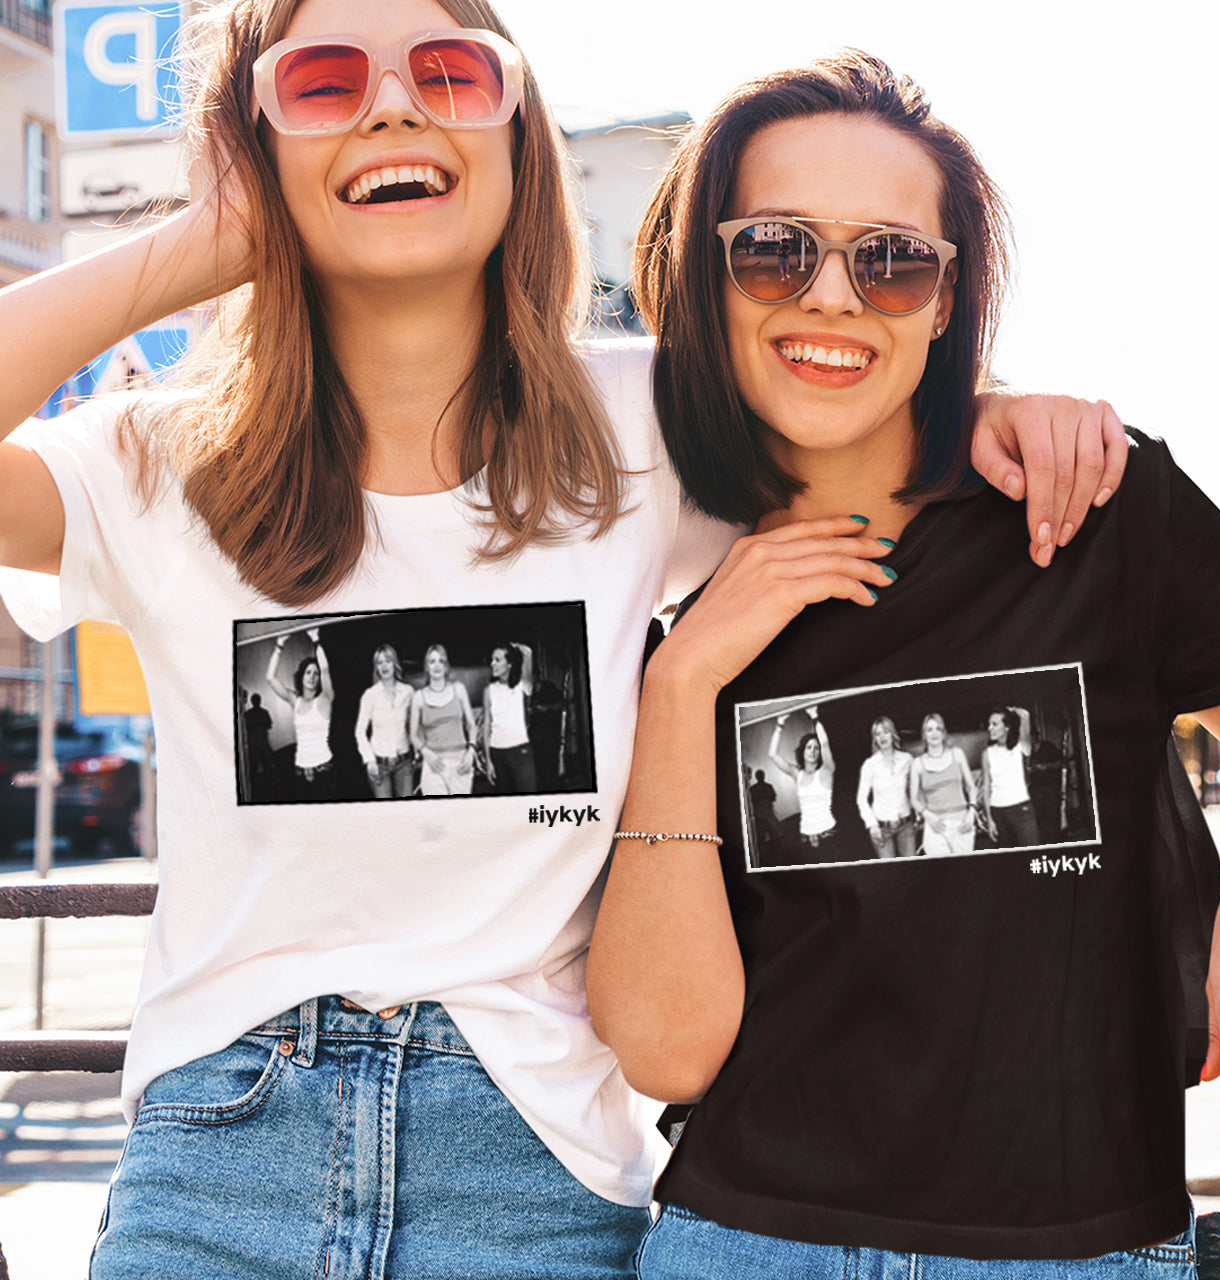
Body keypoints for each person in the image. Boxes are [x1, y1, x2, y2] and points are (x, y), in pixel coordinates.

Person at [0, 0, 1132, 1269]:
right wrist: (209, 241)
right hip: (220, 1156)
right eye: (320, 82)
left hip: (533, 1163)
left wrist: (993, 408)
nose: (391, 104)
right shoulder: (157, 460)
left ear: (521, 135)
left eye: (449, 70)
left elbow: (868, 425)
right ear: (251, 145)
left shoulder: (642, 422)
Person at [588, 49, 1220, 1277]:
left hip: (1085, 1249)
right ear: (702, 278)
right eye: (773, 248)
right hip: (745, 1244)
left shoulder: (1095, 511)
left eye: (892, 258)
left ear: (948, 298)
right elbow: (665, 1050)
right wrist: (684, 680)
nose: (835, 295)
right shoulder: (649, 575)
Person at [265, 627, 335, 800]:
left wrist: (315, 639)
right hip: (299, 770)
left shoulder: (325, 699)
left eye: (315, 674)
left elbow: (325, 669)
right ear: (302, 676)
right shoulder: (294, 700)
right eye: (308, 672)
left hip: (324, 769)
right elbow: (270, 678)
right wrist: (279, 645)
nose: (312, 676)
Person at [767, 705, 836, 857]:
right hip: (805, 835)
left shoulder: (826, 770)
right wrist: (780, 723)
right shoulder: (797, 774)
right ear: (802, 751)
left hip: (828, 833)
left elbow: (824, 744)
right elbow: (772, 754)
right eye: (808, 747)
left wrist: (814, 716)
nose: (812, 751)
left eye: (815, 748)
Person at [909, 711, 979, 856]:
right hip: (935, 824)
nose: (934, 733)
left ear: (943, 733)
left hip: (961, 822)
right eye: (929, 729)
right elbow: (914, 799)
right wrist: (927, 815)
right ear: (924, 735)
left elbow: (971, 786)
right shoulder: (917, 764)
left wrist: (972, 811)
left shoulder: (957, 754)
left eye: (938, 729)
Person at [412, 643, 478, 796]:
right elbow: (413, 735)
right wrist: (425, 752)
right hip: (434, 765)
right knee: (438, 816)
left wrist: (471, 751)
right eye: (432, 661)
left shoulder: (459, 689)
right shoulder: (418, 697)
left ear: (446, 666)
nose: (437, 666)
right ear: (426, 666)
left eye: (441, 661)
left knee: (460, 814)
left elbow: (471, 725)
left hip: (460, 764)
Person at [354, 643, 416, 797]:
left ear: (395, 663)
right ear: (376, 667)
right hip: (379, 765)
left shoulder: (408, 692)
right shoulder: (370, 695)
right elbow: (360, 731)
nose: (384, 666)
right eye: (379, 662)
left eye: (388, 661)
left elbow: (416, 724)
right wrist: (369, 760)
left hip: (404, 763)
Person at [856, 715, 915, 858]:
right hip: (882, 829)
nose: (882, 737)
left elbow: (916, 789)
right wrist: (872, 825)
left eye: (885, 732)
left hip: (906, 826)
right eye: (877, 734)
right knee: (890, 873)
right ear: (874, 739)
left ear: (892, 734)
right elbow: (861, 798)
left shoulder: (907, 759)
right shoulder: (870, 765)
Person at [981, 705, 1040, 848]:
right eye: (989, 724)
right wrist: (989, 819)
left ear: (1006, 727)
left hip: (1021, 810)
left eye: (995, 724)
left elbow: (1025, 714)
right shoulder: (987, 753)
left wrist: (1013, 709)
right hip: (998, 811)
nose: (990, 728)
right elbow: (986, 787)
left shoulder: (1020, 746)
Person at [481, 641, 536, 793]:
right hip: (497, 753)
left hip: (520, 753)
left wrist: (515, 645)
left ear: (509, 663)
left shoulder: (522, 685)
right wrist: (488, 762)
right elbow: (486, 727)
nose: (493, 664)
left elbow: (528, 652)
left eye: (498, 660)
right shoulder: (489, 691)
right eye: (492, 660)